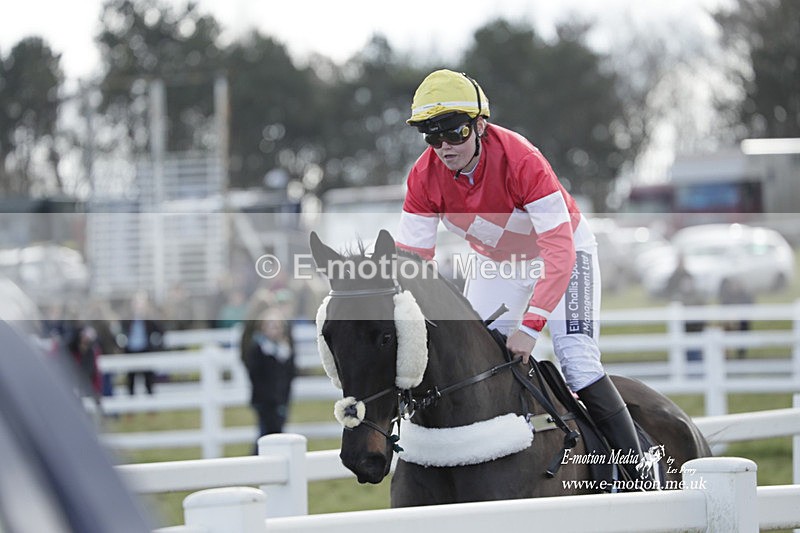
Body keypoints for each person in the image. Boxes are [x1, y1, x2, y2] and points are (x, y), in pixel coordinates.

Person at [395, 69, 650, 484]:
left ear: (479, 125)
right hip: (498, 263)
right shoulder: (423, 178)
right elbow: (414, 268)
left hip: (565, 252)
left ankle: (641, 474)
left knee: (579, 363)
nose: (444, 146)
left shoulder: (521, 158)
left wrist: (531, 326)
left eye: (454, 132)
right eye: (431, 136)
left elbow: (558, 252)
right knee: (477, 356)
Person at [242, 309, 296, 452]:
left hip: (281, 400)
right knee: (265, 436)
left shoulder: (286, 350)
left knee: (277, 434)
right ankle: (256, 463)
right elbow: (255, 376)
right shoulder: (258, 349)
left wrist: (283, 398)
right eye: (270, 325)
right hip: (264, 402)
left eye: (276, 326)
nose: (274, 329)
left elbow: (290, 375)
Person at [117, 292, 164, 396]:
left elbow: (160, 332)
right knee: (130, 382)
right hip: (130, 351)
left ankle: (151, 410)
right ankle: (130, 409)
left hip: (145, 350)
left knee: (148, 381)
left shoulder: (149, 318)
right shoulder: (127, 318)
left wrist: (155, 344)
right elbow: (120, 332)